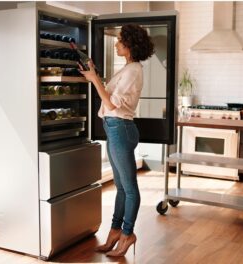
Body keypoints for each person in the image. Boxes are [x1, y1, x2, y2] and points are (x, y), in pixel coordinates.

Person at [79, 24, 154, 257]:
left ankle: (128, 234)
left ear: (129, 44)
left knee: (129, 189)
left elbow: (111, 104)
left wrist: (93, 80)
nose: (116, 43)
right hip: (115, 128)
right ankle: (114, 232)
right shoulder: (128, 69)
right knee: (121, 187)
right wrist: (93, 72)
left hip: (120, 128)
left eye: (120, 40)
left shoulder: (133, 71)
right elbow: (110, 96)